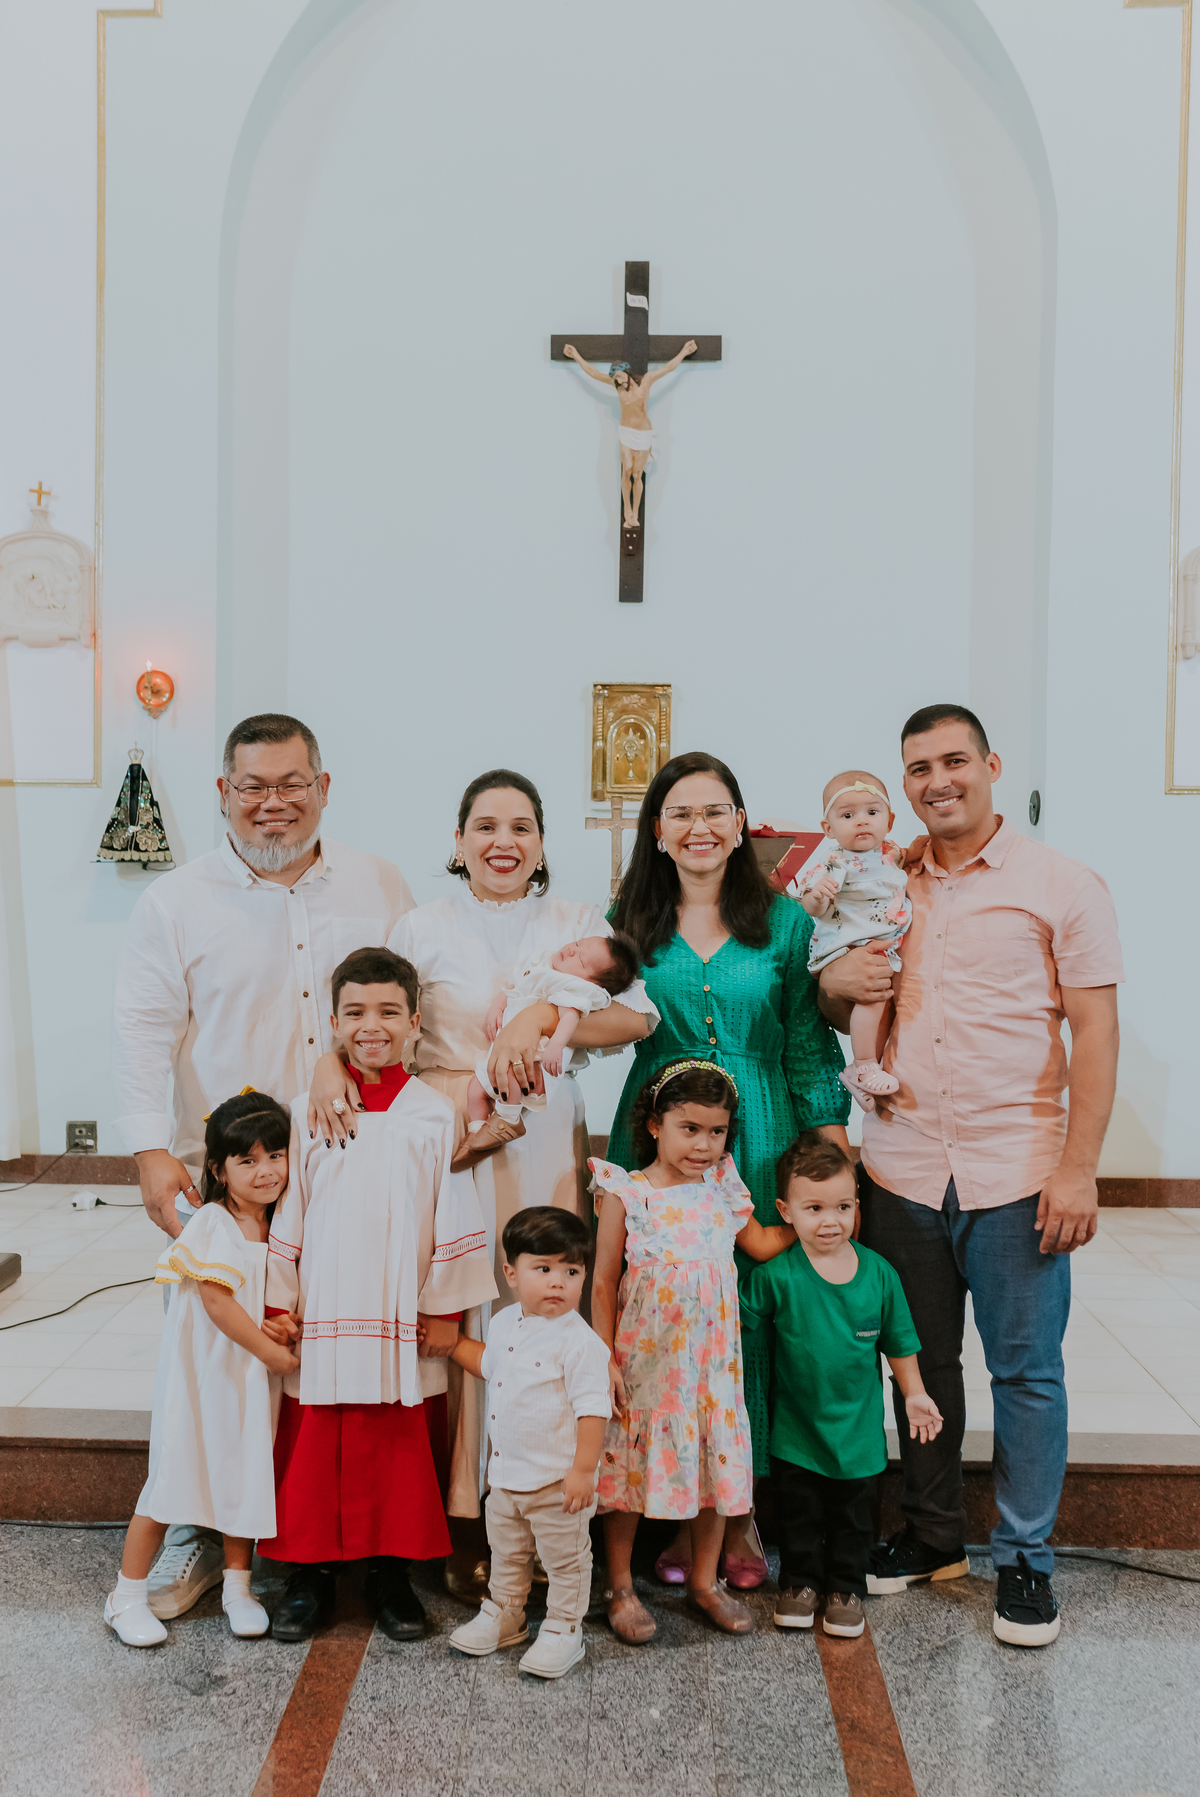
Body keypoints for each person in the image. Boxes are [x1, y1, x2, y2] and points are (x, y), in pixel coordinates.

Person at [307, 768, 658, 1599]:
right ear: (459, 841)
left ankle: (553, 1512)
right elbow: (375, 1011)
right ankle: (468, 1515)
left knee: (542, 1308)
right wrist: (327, 1062)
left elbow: (638, 1014)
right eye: (486, 826)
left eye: (522, 827)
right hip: (446, 1133)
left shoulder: (574, 922)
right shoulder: (422, 924)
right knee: (466, 1308)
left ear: (541, 844)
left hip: (543, 1138)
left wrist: (540, 1021)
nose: (504, 841)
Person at [820, 704, 1122, 1650]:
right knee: (920, 1361)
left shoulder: (1061, 884)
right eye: (918, 767)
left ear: (990, 765)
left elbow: (1097, 1031)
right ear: (901, 780)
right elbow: (832, 991)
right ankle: (931, 1533)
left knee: (1026, 1372)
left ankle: (1026, 1556)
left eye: (954, 760)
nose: (936, 780)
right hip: (903, 1162)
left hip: (1018, 1169)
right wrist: (846, 987)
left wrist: (1079, 1168)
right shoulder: (885, 882)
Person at [111, 713, 414, 1620]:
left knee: (336, 1348)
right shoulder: (176, 900)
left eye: (292, 782)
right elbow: (142, 1028)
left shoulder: (377, 882)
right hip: (232, 1176)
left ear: (325, 786)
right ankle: (210, 1542)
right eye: (253, 786)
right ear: (222, 793)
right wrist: (148, 1149)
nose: (273, 802)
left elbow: (407, 1008)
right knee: (218, 1360)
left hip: (352, 1163)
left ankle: (337, 1539)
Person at [607, 750, 850, 1588]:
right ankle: (670, 1504)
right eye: (680, 812)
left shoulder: (784, 922)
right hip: (657, 1133)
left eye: (716, 811)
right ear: (657, 830)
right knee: (668, 1315)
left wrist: (830, 1152)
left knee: (752, 1311)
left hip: (762, 1129)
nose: (699, 827)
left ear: (741, 823)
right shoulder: (628, 920)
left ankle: (739, 1513)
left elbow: (813, 1041)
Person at [259, 947, 496, 1643]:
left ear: (415, 1020)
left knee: (397, 1441)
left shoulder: (432, 1112)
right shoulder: (307, 1109)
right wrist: (279, 1299)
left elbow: (451, 1211)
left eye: (390, 1011)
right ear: (332, 1022)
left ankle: (392, 1576)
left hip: (401, 1306)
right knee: (318, 1440)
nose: (373, 1025)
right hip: (326, 1302)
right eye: (356, 1011)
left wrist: (443, 1307)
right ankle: (311, 1575)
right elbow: (290, 1205)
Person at [591, 1061, 797, 1642]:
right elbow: (604, 1281)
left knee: (715, 1467)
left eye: (716, 1132)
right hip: (646, 1365)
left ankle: (706, 1582)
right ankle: (623, 1586)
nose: (704, 1144)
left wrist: (820, 1219)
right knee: (629, 1473)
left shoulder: (724, 1187)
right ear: (655, 1124)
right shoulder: (625, 1191)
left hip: (712, 1368)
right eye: (689, 1129)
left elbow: (757, 1241)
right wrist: (604, 1357)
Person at [103, 1094, 299, 1647]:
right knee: (171, 1479)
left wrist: (278, 1327)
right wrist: (271, 1351)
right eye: (247, 1161)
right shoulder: (215, 1222)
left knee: (244, 1471)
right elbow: (218, 1303)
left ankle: (239, 1586)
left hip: (245, 1377)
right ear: (217, 1169)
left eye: (276, 1156)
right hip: (205, 1373)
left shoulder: (277, 1225)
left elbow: (259, 1298)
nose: (266, 1172)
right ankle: (126, 1596)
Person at [740, 1134, 941, 1640]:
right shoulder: (778, 1276)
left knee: (855, 1520)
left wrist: (913, 1392)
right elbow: (734, 1319)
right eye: (814, 1208)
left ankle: (847, 1587)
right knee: (799, 1514)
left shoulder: (878, 1274)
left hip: (858, 1435)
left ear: (857, 1204)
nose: (830, 1221)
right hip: (796, 1432)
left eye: (843, 1206)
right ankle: (800, 1583)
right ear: (785, 1211)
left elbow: (899, 1340)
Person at [446, 1208, 611, 1680]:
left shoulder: (580, 1344)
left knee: (565, 1561)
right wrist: (450, 1344)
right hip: (506, 1477)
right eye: (544, 1269)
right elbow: (491, 1368)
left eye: (571, 1271)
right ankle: (506, 1612)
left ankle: (563, 1627)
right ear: (511, 1274)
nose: (557, 1283)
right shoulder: (502, 1324)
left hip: (558, 1482)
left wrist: (582, 1470)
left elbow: (592, 1410)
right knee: (508, 1551)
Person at [790, 772, 911, 1104]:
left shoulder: (890, 855)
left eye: (872, 813)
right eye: (847, 815)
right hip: (848, 944)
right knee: (872, 996)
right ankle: (862, 1066)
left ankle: (862, 1072)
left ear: (890, 820)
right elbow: (812, 907)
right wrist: (819, 895)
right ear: (828, 829)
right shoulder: (835, 865)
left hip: (879, 940)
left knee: (884, 1000)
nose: (862, 822)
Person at [467, 932, 641, 1129]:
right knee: (475, 1090)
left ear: (591, 982)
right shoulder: (543, 966)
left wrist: (556, 1045)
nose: (571, 950)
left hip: (530, 1055)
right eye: (577, 943)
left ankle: (507, 1120)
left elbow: (569, 1017)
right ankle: (476, 1131)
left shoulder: (571, 987)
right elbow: (514, 988)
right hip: (502, 1050)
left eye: (580, 960)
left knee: (509, 1077)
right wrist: (496, 1008)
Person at [562, 339, 698, 532]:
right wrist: (576, 356)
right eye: (614, 378)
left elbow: (668, 368)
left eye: (618, 375)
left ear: (625, 371)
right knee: (626, 470)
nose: (617, 379)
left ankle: (635, 511)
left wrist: (684, 352)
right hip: (626, 432)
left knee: (637, 474)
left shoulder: (646, 381)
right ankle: (628, 509)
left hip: (643, 433)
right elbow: (593, 373)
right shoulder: (617, 387)